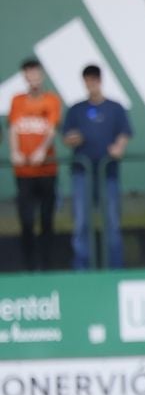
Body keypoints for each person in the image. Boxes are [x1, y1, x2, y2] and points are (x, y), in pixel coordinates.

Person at [61, 64, 129, 270]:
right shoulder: (76, 109)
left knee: (112, 222)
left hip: (108, 173)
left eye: (94, 80)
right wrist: (73, 139)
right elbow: (66, 136)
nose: (91, 85)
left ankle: (115, 267)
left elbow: (124, 133)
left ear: (100, 81)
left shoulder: (115, 108)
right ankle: (82, 267)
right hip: (83, 173)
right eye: (87, 81)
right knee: (81, 222)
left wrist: (119, 146)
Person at [9, 58, 62, 271]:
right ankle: (29, 267)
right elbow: (13, 128)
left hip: (47, 170)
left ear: (42, 76)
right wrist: (15, 151)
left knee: (47, 220)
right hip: (24, 172)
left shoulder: (51, 100)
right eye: (29, 75)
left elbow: (51, 128)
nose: (33, 79)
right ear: (24, 77)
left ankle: (47, 266)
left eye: (37, 75)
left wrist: (42, 150)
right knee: (27, 221)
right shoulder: (17, 101)